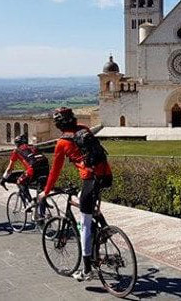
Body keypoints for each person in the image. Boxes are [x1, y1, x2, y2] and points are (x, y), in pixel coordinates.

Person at [39, 107, 113, 281]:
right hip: (106, 175)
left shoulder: (62, 143)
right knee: (84, 199)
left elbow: (54, 172)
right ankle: (104, 227)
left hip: (91, 178)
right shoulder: (84, 130)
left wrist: (45, 192)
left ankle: (87, 270)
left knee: (84, 224)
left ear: (58, 125)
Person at [0, 134, 49, 212]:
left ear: (16, 144)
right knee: (40, 190)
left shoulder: (16, 151)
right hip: (46, 168)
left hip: (33, 169)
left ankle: (30, 202)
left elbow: (10, 168)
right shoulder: (33, 147)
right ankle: (42, 212)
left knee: (20, 182)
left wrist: (3, 179)